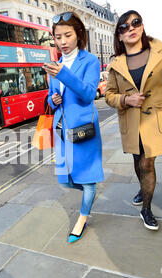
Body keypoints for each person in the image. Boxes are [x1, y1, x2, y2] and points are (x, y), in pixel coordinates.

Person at [105, 10, 162, 231]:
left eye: (135, 23)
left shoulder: (161, 52)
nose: (130, 28)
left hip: (155, 119)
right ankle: (143, 188)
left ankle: (147, 209)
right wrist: (126, 99)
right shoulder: (116, 63)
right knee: (136, 160)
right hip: (131, 122)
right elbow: (109, 95)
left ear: (142, 26)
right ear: (120, 36)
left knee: (147, 163)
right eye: (124, 27)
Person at [43, 11, 103, 243]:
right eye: (58, 37)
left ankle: (82, 217)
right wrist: (53, 100)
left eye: (67, 35)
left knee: (87, 179)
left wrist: (64, 75)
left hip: (83, 129)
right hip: (62, 131)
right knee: (65, 179)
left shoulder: (90, 61)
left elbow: (89, 94)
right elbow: (51, 96)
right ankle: (91, 192)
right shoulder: (55, 65)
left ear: (79, 34)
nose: (63, 42)